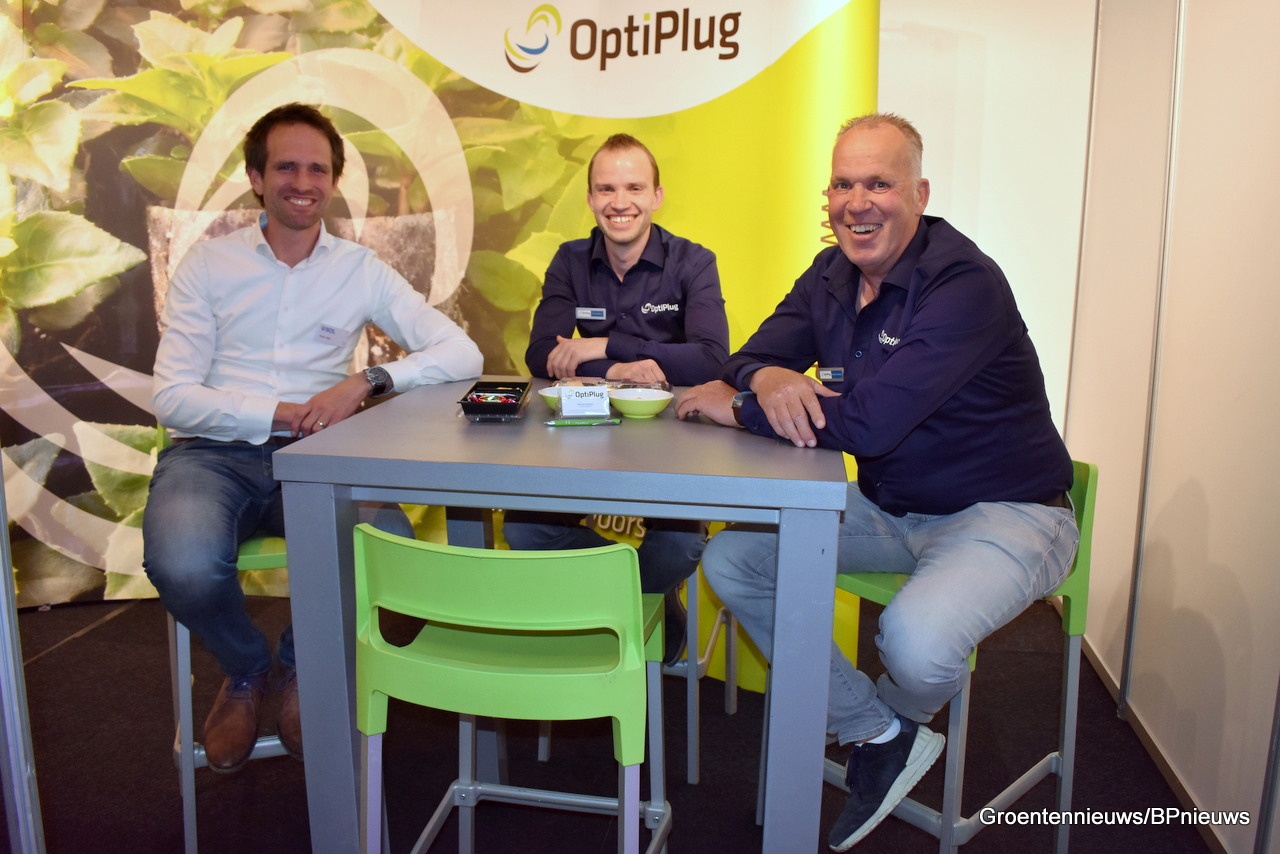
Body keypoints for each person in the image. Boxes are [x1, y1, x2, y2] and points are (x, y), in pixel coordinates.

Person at [675, 113, 1079, 850]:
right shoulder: (829, 273)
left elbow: (867, 426)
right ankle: (879, 731)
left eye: (879, 184)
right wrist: (766, 378)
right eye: (842, 184)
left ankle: (888, 723)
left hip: (1009, 513)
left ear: (919, 194)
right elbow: (750, 355)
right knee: (733, 558)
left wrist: (738, 407)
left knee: (914, 645)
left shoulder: (964, 284)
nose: (857, 203)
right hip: (894, 508)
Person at [143, 103, 483, 774]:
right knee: (184, 564)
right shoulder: (208, 265)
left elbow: (462, 354)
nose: (303, 183)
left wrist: (366, 381)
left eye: (318, 170)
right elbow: (173, 397)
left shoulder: (359, 269)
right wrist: (280, 412)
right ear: (256, 178)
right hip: (209, 454)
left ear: (334, 180)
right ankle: (247, 669)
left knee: (388, 547)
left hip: (316, 455)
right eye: (287, 167)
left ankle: (303, 665)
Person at [505, 133, 729, 664]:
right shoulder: (569, 261)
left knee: (679, 545)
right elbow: (540, 355)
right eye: (606, 189)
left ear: (657, 196)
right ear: (589, 198)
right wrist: (624, 369)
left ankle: (627, 605)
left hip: (670, 442)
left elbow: (711, 360)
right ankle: (641, 601)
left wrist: (603, 346)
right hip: (581, 437)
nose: (619, 202)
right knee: (524, 527)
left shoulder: (694, 262)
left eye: (634, 188)